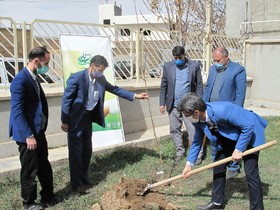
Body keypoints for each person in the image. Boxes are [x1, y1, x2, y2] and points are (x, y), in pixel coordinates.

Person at [61, 55, 149, 194]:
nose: (101, 73)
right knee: (76, 152)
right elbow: (66, 100)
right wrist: (65, 121)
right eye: (99, 70)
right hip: (76, 120)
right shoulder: (77, 78)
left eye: (102, 71)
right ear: (92, 66)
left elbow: (114, 89)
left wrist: (134, 96)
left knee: (87, 150)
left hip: (88, 117)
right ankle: (76, 184)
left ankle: (84, 177)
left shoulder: (100, 79)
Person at [179, 93, 267, 210]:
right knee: (218, 166)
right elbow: (196, 142)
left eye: (186, 115)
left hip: (249, 134)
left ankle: (257, 208)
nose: (186, 118)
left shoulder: (223, 110)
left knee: (251, 172)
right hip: (230, 135)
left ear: (196, 112)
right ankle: (216, 203)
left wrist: (238, 149)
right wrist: (189, 165)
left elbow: (248, 126)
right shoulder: (199, 120)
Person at [9, 47, 57, 210]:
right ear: (36, 61)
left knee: (43, 164)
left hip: (38, 131)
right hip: (27, 134)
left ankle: (48, 196)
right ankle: (29, 203)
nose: (47, 66)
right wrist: (28, 135)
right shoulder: (20, 80)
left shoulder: (34, 77)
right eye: (46, 62)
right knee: (30, 168)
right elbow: (17, 111)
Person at [203, 46, 247, 178]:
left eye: (218, 60)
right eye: (214, 61)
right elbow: (208, 88)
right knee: (214, 138)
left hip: (228, 114)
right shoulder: (212, 69)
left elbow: (240, 95)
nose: (215, 63)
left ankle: (233, 166)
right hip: (211, 112)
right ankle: (217, 163)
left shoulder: (238, 70)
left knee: (230, 139)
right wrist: (204, 106)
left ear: (226, 57)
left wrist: (236, 113)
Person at [159, 46, 203, 163]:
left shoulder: (194, 66)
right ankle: (180, 151)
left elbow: (199, 85)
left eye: (180, 57)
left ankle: (198, 154)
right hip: (173, 104)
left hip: (189, 105)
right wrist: (162, 103)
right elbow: (163, 85)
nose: (178, 59)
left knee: (193, 129)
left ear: (185, 55)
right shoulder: (168, 66)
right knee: (174, 129)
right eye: (176, 57)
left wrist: (198, 102)